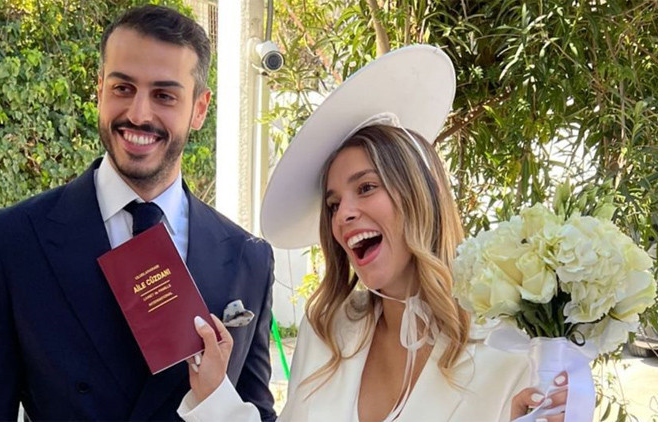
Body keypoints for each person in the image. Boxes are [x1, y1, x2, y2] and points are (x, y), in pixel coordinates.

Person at [177, 46, 569, 421]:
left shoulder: (510, 347)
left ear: (420, 196)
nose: (343, 215)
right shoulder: (327, 330)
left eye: (366, 188)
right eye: (333, 204)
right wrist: (214, 397)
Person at [0, 5, 275, 421]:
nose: (138, 114)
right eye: (123, 88)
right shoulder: (12, 241)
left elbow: (257, 411)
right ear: (100, 89)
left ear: (199, 108)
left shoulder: (248, 259)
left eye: (164, 95)